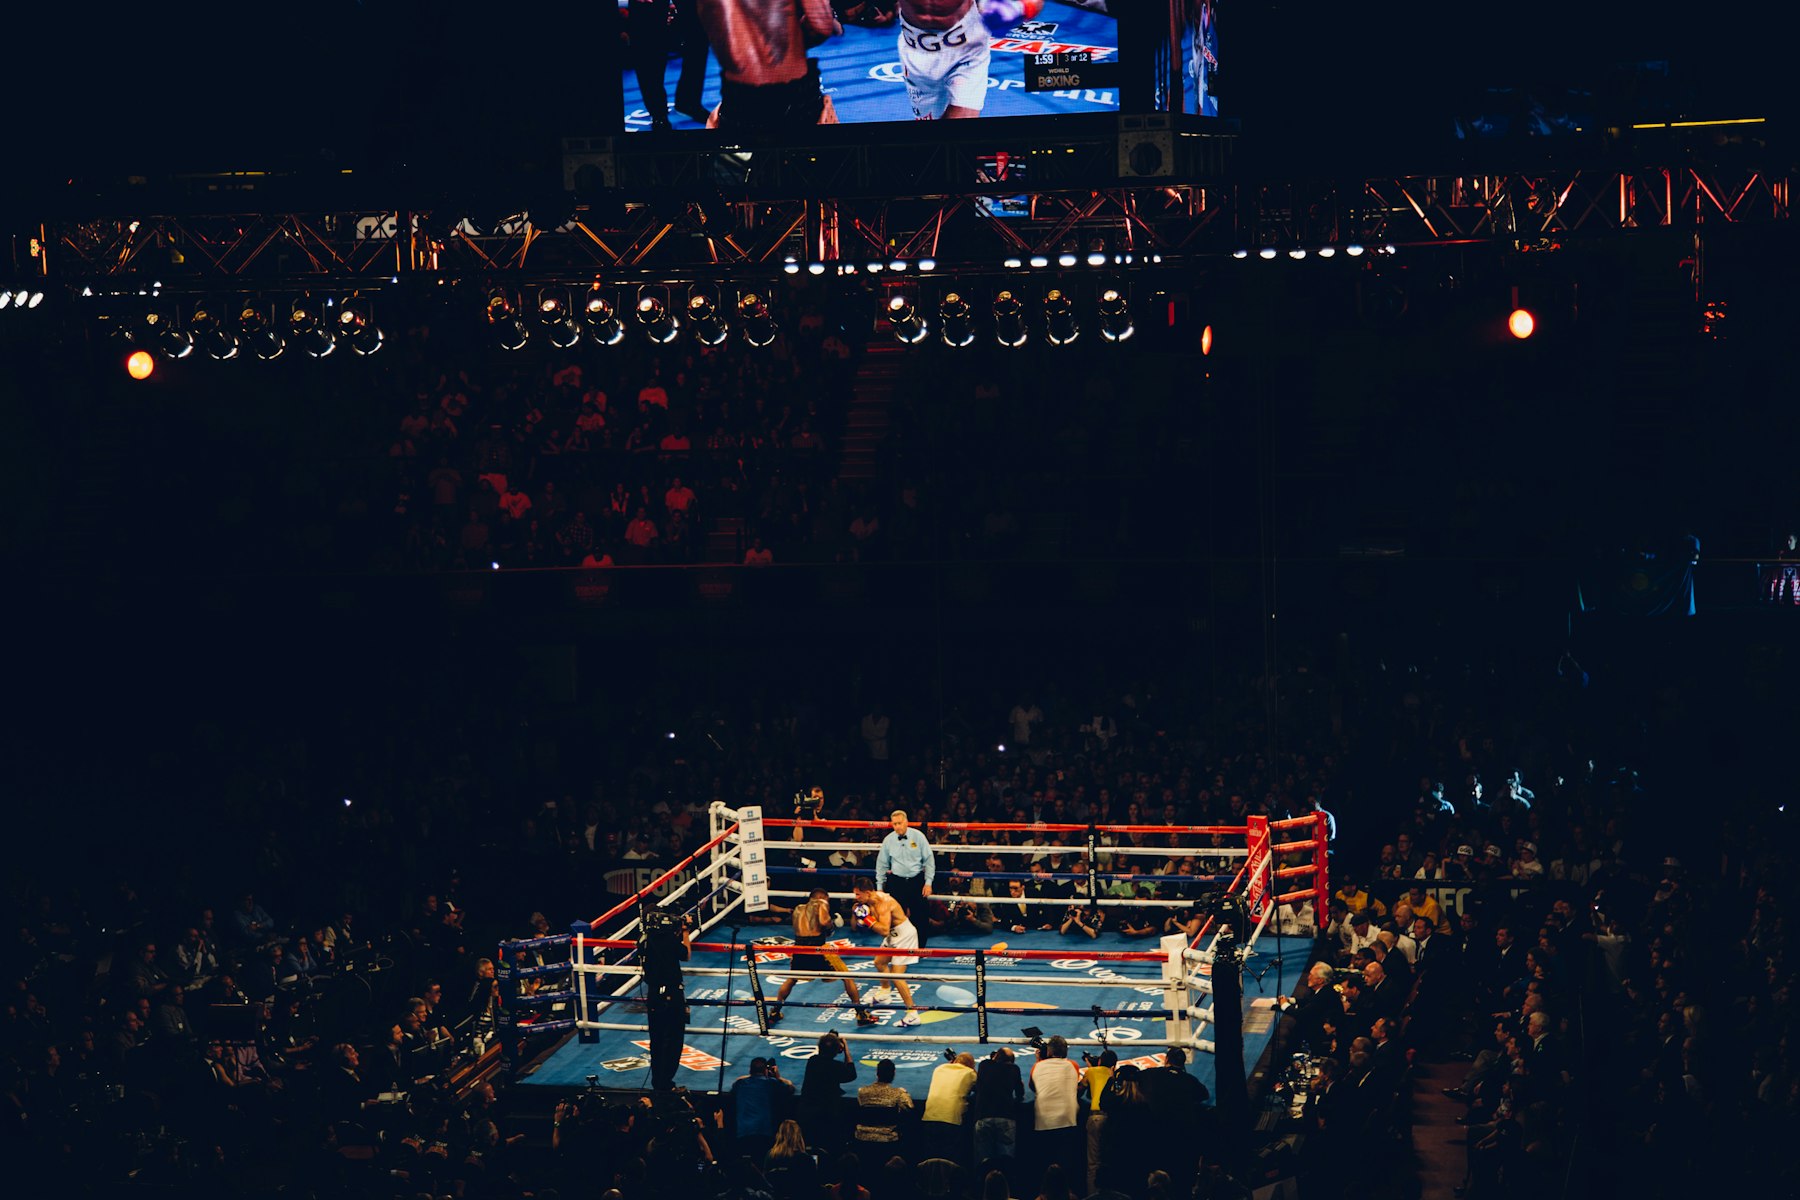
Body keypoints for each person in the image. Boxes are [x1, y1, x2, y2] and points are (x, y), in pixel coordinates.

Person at [695, 0, 842, 132]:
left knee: (746, 157)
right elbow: (820, 25)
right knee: (811, 156)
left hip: (739, 96)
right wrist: (791, 43)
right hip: (792, 95)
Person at [770, 888, 877, 1026]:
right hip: (818, 948)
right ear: (823, 897)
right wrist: (831, 926)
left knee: (792, 979)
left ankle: (775, 1011)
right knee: (847, 977)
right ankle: (861, 1015)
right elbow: (823, 921)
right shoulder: (821, 903)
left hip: (799, 948)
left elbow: (801, 928)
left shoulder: (798, 908)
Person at [853, 878, 922, 1025]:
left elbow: (883, 930)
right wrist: (860, 917)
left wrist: (866, 919)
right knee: (879, 962)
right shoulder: (868, 903)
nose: (856, 898)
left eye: (858, 895)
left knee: (897, 976)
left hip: (904, 936)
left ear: (867, 893)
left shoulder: (884, 903)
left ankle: (913, 1014)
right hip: (893, 935)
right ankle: (885, 992)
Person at [875, 809, 936, 947]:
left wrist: (928, 883)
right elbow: (881, 864)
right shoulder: (889, 840)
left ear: (906, 822)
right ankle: (898, 946)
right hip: (897, 881)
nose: (897, 826)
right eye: (894, 824)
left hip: (916, 880)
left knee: (921, 915)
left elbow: (929, 860)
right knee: (895, 917)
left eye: (900, 823)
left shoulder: (918, 836)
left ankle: (920, 948)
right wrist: (879, 888)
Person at [1028, 1035, 1081, 1173]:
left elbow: (1033, 1087)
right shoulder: (1073, 1065)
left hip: (1044, 1121)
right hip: (1067, 1121)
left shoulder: (1037, 1066)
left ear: (1049, 1052)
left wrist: (1039, 1061)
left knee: (1045, 1165)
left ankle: (1045, 1192)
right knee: (1066, 1165)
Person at [801, 1031, 859, 1149]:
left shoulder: (812, 1061)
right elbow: (851, 1073)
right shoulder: (835, 1067)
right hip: (826, 1115)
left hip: (807, 1113)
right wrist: (845, 1049)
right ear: (837, 1050)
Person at [731, 1057, 795, 1160]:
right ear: (766, 1071)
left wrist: (754, 1075)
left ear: (750, 1071)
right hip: (763, 1132)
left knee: (745, 1164)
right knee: (762, 1162)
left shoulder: (741, 1083)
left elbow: (737, 1081)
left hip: (743, 1132)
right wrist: (777, 1077)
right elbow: (790, 1088)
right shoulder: (771, 1083)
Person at [922, 1051, 978, 1162]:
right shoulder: (970, 1073)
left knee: (929, 1157)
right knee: (950, 1159)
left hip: (929, 1117)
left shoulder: (939, 1069)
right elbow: (980, 1087)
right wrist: (974, 1070)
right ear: (971, 1065)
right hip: (951, 1120)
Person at [972, 1046, 1023, 1163]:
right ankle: (1005, 1179)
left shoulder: (984, 1065)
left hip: (983, 1116)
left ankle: (983, 1180)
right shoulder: (1014, 1069)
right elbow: (1020, 1094)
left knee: (983, 1161)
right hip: (1006, 1116)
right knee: (1006, 1160)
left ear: (995, 1057)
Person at [853, 1058, 913, 1147]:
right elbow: (910, 1109)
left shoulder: (862, 1092)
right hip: (888, 1139)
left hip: (862, 1138)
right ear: (893, 1074)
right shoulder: (899, 1093)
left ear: (877, 1073)